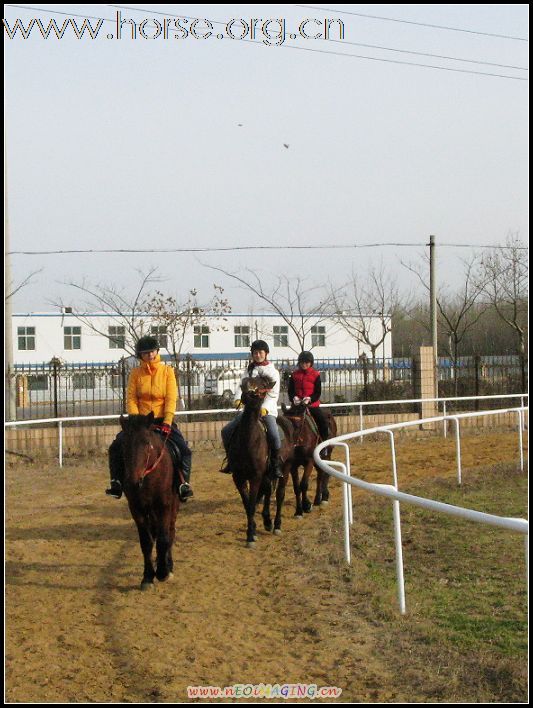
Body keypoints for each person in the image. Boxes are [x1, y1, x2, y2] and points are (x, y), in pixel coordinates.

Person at [105, 335, 193, 501]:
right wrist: (136, 420)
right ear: (141, 356)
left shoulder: (167, 372)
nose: (150, 355)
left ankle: (183, 484)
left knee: (184, 450)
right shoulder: (135, 374)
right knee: (116, 447)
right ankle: (116, 482)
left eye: (152, 351)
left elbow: (170, 398)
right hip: (140, 423)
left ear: (157, 351)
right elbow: (131, 398)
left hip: (161, 420)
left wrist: (167, 422)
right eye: (145, 353)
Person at [220, 339, 283, 479]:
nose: (257, 355)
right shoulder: (249, 369)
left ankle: (275, 464)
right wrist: (237, 398)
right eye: (255, 353)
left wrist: (264, 408)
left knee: (274, 435)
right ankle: (231, 460)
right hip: (249, 411)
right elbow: (241, 386)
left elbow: (273, 394)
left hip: (266, 411)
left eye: (260, 352)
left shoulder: (273, 372)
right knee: (226, 431)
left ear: (266, 353)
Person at [288, 351, 330, 443]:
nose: (304, 364)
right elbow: (290, 391)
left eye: (306, 362)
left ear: (311, 363)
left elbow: (317, 392)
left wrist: (310, 399)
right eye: (302, 362)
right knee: (286, 419)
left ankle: (325, 443)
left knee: (322, 422)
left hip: (312, 406)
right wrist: (294, 398)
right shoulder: (294, 375)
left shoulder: (316, 374)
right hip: (297, 406)